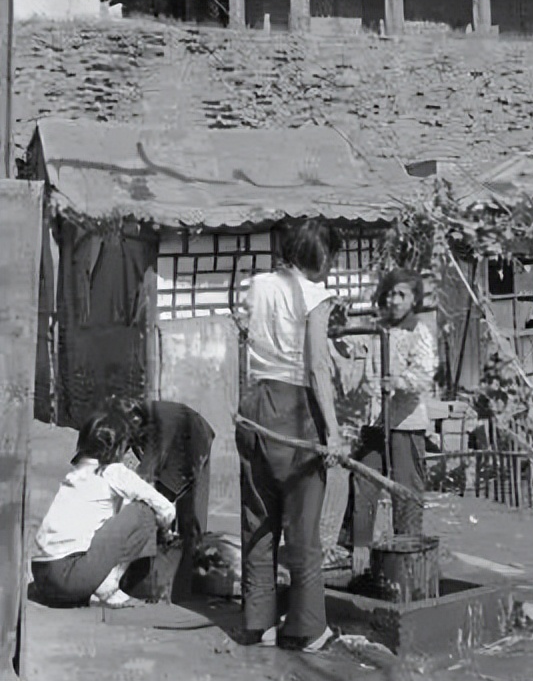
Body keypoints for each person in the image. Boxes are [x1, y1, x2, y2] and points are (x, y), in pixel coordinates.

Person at [235, 218, 343, 652]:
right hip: (295, 410)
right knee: (302, 527)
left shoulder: (257, 285)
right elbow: (317, 366)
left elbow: (246, 337)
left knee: (258, 520)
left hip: (254, 406)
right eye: (331, 258)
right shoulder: (315, 296)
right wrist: (333, 432)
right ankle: (308, 627)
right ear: (320, 257)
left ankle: (259, 624)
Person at [32, 412, 177, 609]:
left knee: (117, 515)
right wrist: (165, 530)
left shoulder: (77, 472)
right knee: (144, 511)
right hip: (70, 578)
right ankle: (109, 587)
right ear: (119, 447)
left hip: (42, 577)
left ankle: (95, 583)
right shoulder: (114, 471)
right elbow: (165, 507)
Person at [351, 268, 437, 573]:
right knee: (363, 482)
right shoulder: (378, 330)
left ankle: (409, 555)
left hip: (405, 423)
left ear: (414, 299)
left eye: (401, 294)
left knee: (406, 491)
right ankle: (357, 554)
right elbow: (363, 371)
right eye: (390, 293)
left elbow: (424, 374)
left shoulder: (419, 332)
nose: (394, 300)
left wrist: (398, 381)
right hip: (375, 422)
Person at [121, 398, 215, 600]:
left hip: (192, 441)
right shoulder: (138, 420)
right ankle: (169, 574)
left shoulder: (157, 421)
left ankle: (178, 579)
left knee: (177, 510)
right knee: (163, 505)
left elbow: (148, 471)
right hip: (190, 437)